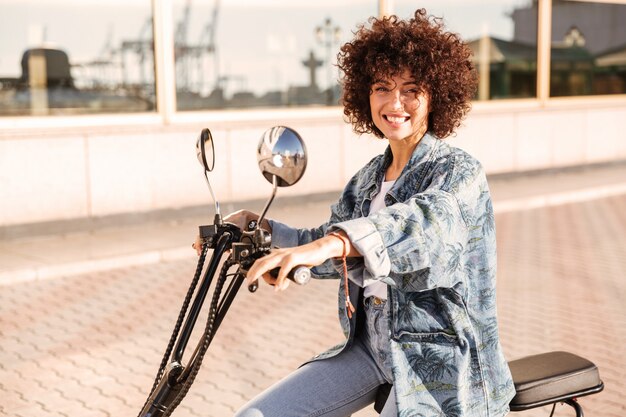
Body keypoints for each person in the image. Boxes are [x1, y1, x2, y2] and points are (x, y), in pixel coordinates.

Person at [194, 9, 515, 417]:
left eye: (411, 89)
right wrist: (264, 231)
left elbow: (425, 227)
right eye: (382, 87)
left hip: (440, 358)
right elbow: (329, 248)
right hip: (368, 347)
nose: (394, 103)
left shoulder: (458, 172)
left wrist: (337, 241)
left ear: (436, 95)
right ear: (365, 93)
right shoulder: (368, 179)